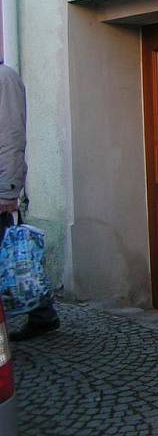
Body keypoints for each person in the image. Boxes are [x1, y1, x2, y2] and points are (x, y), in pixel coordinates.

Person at [0, 63, 59, 341]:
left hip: (1, 191)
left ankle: (42, 315)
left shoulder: (4, 78)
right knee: (13, 256)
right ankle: (43, 314)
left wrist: (8, 190)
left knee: (12, 255)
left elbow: (11, 137)